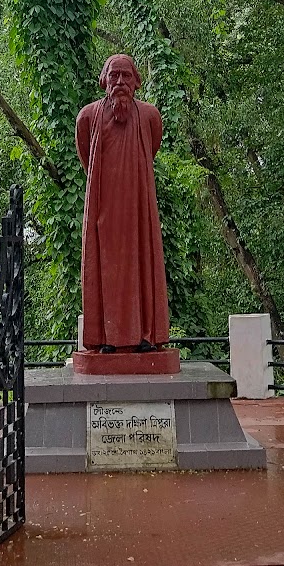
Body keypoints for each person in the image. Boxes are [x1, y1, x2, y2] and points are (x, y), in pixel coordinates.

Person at [75, 54, 171, 353]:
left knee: (143, 262)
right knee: (105, 268)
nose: (119, 82)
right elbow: (85, 157)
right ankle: (107, 339)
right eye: (113, 76)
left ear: (136, 81)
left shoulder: (151, 116)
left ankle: (145, 336)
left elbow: (151, 148)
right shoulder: (87, 117)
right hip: (104, 208)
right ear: (104, 80)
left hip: (139, 208)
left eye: (125, 76)